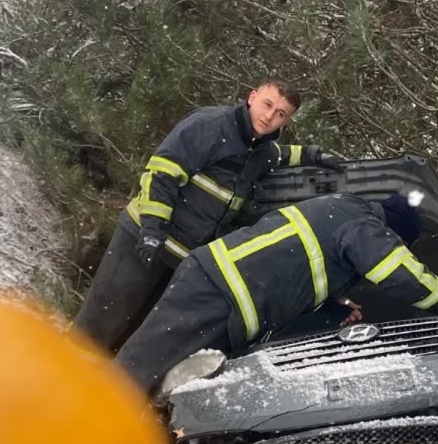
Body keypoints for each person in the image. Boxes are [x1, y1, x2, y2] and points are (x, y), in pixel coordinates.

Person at [74, 79, 342, 352]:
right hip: (143, 240)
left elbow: (280, 156)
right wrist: (153, 230)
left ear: (285, 122)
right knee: (99, 324)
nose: (270, 116)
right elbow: (162, 173)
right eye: (268, 104)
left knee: (133, 337)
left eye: (281, 114)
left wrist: (311, 155)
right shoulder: (211, 125)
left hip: (182, 259)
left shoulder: (260, 150)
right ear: (252, 97)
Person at [115, 191, 438, 397]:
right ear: (395, 231)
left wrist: (333, 306)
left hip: (224, 289)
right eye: (401, 243)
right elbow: (398, 273)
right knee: (138, 370)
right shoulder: (363, 223)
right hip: (218, 288)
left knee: (178, 382)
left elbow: (298, 271)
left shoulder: (342, 211)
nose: (397, 248)